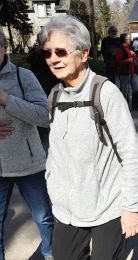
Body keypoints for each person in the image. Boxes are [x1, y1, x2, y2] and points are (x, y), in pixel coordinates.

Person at [40, 15, 138, 259]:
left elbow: (130, 153)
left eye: (61, 52)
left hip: (106, 204)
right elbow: (55, 151)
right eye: (48, 53)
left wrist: (130, 207)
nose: (53, 59)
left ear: (84, 54)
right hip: (66, 209)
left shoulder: (105, 93)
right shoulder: (55, 95)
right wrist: (53, 184)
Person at [0, 28, 54, 260]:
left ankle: (52, 255)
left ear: (3, 48)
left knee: (44, 218)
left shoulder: (24, 76)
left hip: (28, 164)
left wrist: (6, 100)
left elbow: (44, 115)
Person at [116, 33, 138, 111]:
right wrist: (127, 60)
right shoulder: (120, 49)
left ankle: (135, 105)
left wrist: (135, 55)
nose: (130, 39)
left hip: (132, 72)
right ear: (124, 40)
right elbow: (118, 62)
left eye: (130, 38)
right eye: (128, 38)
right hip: (124, 72)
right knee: (125, 90)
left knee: (135, 88)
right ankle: (125, 108)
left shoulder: (129, 47)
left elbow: (133, 56)